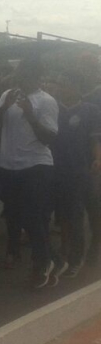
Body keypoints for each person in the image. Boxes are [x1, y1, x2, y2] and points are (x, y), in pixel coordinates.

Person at [0, 58, 59, 288]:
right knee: (14, 215)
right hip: (9, 165)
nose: (18, 78)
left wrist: (31, 114)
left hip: (36, 166)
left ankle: (42, 262)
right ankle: (52, 259)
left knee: (33, 216)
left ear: (33, 77)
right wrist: (3, 106)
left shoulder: (46, 101)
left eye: (23, 74)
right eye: (17, 73)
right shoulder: (8, 95)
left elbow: (49, 138)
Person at [47, 68, 101, 279]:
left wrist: (98, 158)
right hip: (60, 172)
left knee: (91, 215)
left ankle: (85, 254)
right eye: (58, 83)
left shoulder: (91, 110)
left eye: (63, 83)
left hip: (86, 171)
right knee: (69, 217)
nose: (58, 87)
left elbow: (95, 139)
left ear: (76, 87)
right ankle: (68, 253)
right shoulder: (54, 109)